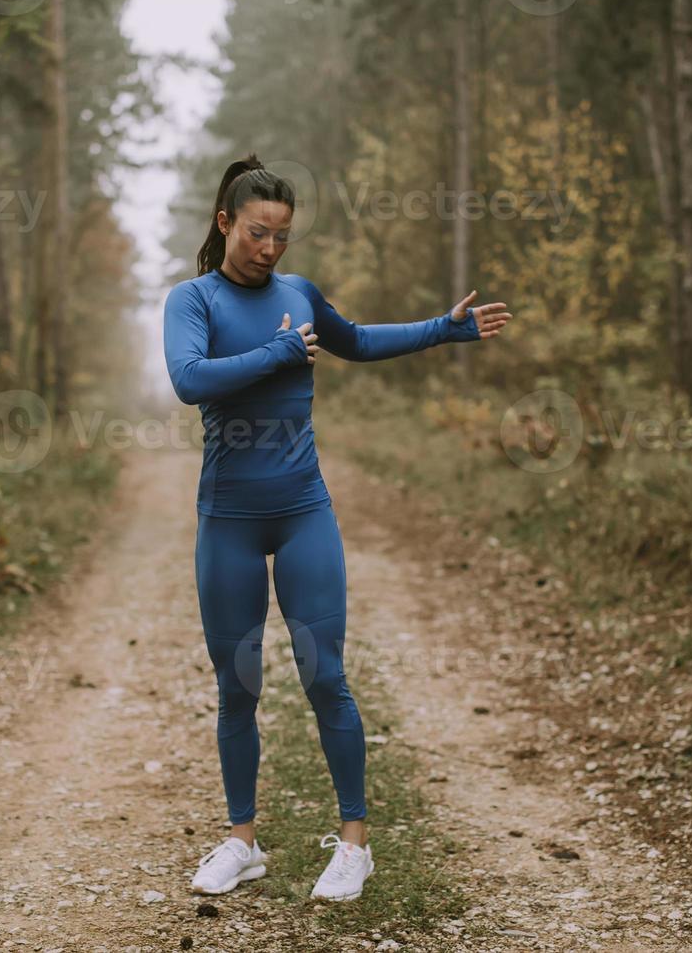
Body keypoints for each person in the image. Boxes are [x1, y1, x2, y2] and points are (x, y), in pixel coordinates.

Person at [163, 154, 513, 901]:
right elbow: (190, 380)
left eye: (282, 237)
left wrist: (443, 332)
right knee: (238, 685)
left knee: (326, 676)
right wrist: (278, 351)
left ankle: (354, 846)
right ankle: (241, 842)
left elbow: (355, 340)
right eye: (258, 232)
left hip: (302, 513)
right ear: (226, 222)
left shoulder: (299, 294)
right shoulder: (192, 300)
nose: (270, 249)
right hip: (226, 519)